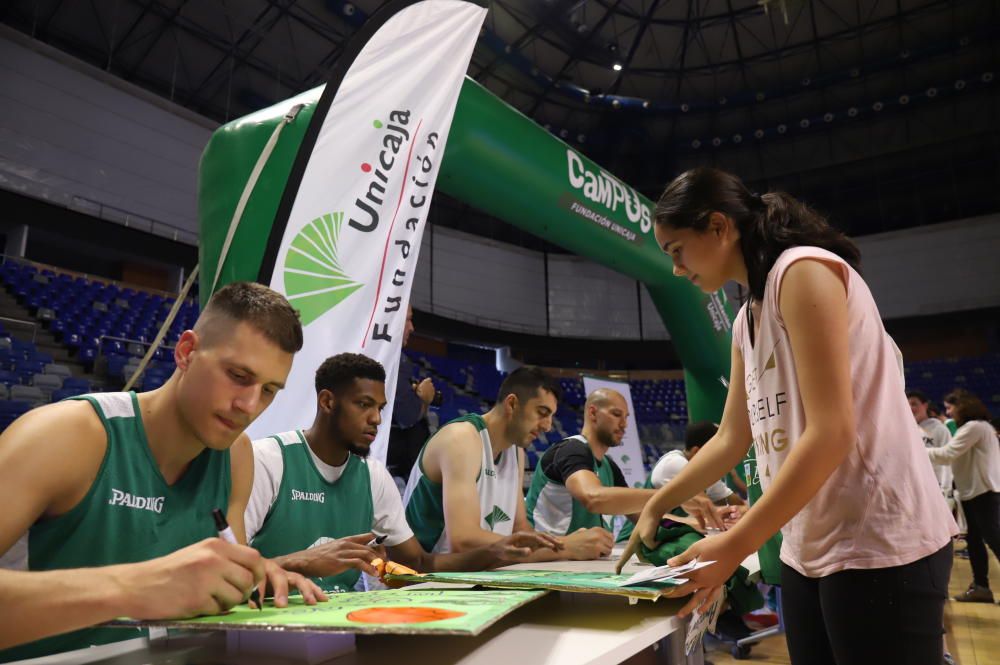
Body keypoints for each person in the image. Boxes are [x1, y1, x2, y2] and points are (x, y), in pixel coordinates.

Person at [618, 168, 957, 665]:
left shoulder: (802, 271)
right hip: (807, 548)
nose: (675, 269)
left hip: (880, 542)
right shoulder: (745, 318)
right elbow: (732, 438)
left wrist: (732, 546)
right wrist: (658, 502)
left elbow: (831, 432)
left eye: (676, 250)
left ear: (717, 227)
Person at [0, 282, 324, 657]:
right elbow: (155, 585)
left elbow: (224, 589)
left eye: (269, 390)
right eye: (238, 376)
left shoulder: (237, 456)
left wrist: (255, 577)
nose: (249, 406)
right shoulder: (65, 435)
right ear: (186, 352)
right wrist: (133, 588)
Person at [245, 353, 561, 592]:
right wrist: (298, 562)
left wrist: (495, 552)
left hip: (338, 628)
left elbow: (419, 564)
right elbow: (222, 575)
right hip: (259, 631)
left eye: (380, 408)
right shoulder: (267, 460)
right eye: (364, 405)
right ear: (327, 401)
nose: (376, 419)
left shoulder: (373, 476)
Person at [404, 366, 613, 560]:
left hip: (473, 577)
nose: (548, 426)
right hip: (419, 582)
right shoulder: (461, 438)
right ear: (512, 404)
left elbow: (519, 530)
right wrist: (565, 546)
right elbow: (463, 541)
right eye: (542, 413)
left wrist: (562, 543)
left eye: (551, 416)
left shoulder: (516, 451)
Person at [525, 388, 657, 536]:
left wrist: (681, 524)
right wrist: (668, 494)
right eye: (616, 414)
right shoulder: (571, 450)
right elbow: (594, 498)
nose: (624, 424)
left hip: (587, 557)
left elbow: (640, 514)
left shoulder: (609, 465)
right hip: (549, 555)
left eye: (626, 417)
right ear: (593, 413)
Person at [929, 389, 1000, 603]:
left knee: (994, 539)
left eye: (950, 407)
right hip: (973, 491)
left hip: (983, 491)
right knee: (975, 541)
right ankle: (981, 587)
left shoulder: (975, 427)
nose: (948, 412)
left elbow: (947, 454)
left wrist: (917, 451)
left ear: (963, 406)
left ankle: (981, 587)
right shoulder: (978, 427)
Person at [385, 306, 436, 484]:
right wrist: (425, 399)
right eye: (408, 319)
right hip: (393, 470)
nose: (412, 327)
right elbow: (408, 416)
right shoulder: (394, 361)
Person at [908, 389, 955, 498]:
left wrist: (946, 489)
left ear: (925, 405)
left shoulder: (940, 429)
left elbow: (947, 460)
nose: (910, 408)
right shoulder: (907, 430)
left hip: (936, 488)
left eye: (914, 404)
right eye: (907, 404)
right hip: (913, 487)